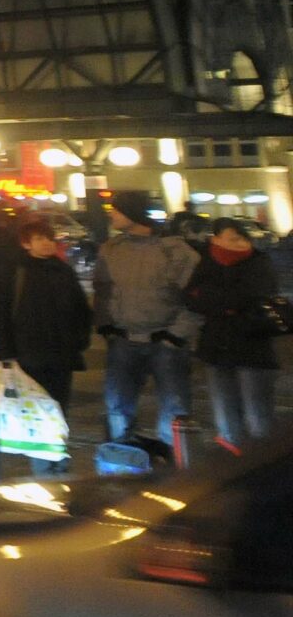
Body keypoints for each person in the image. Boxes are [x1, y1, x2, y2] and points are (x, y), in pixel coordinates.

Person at [94, 189, 200, 453]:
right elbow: (103, 290)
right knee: (117, 405)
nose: (112, 216)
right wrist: (106, 324)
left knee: (174, 407)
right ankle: (120, 456)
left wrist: (176, 334)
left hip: (165, 340)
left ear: (132, 213)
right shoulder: (111, 250)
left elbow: (196, 297)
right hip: (124, 338)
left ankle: (175, 460)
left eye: (116, 210)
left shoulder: (174, 250)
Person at [0, 217, 93, 474]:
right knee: (37, 412)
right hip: (27, 355)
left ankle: (58, 459)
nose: (47, 244)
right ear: (26, 243)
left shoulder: (63, 270)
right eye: (39, 239)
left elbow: (81, 310)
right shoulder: (13, 272)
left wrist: (80, 340)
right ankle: (44, 467)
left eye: (49, 238)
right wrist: (6, 353)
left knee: (59, 408)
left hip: (61, 354)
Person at [185, 218, 279, 451]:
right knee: (225, 412)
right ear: (215, 239)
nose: (237, 243)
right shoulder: (207, 262)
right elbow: (190, 297)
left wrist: (215, 301)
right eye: (230, 238)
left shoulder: (258, 262)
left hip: (252, 347)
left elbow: (251, 296)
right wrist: (226, 304)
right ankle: (231, 460)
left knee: (257, 414)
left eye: (240, 237)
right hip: (216, 347)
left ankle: (263, 460)